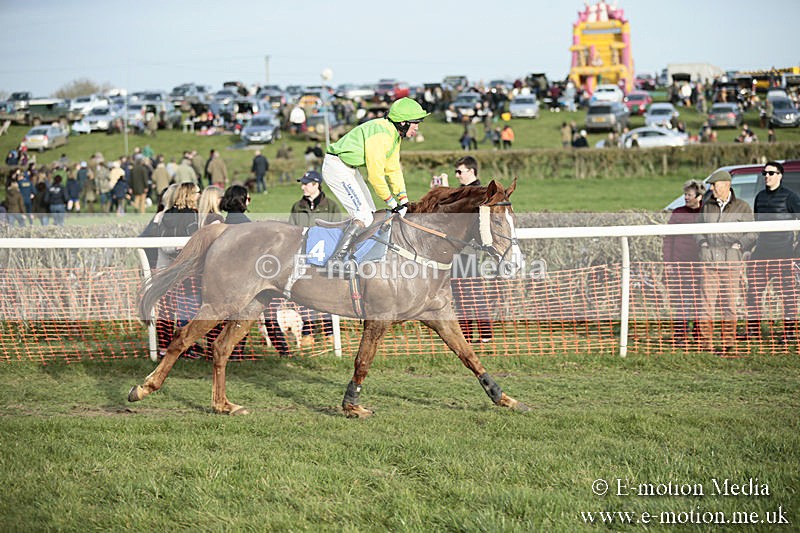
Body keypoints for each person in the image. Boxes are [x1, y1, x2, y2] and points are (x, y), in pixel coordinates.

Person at [321, 97, 428, 264]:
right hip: (337, 167)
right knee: (363, 217)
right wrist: (393, 203)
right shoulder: (381, 134)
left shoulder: (394, 135)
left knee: (371, 215)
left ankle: (357, 256)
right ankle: (335, 260)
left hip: (348, 168)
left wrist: (404, 200)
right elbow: (375, 176)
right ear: (403, 122)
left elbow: (393, 170)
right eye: (415, 123)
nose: (417, 127)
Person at [695, 170, 756, 355]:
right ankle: (706, 345)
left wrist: (740, 244)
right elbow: (697, 229)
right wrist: (702, 243)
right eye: (711, 185)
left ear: (726, 185)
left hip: (731, 263)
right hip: (709, 263)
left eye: (715, 185)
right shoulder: (707, 206)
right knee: (707, 305)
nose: (711, 188)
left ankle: (729, 344)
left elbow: (753, 233)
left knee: (730, 304)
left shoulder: (743, 207)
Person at [743, 161, 800, 344]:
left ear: (780, 175)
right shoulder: (759, 197)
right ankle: (753, 331)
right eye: (764, 173)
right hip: (762, 253)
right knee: (753, 293)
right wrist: (750, 249)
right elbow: (757, 226)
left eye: (771, 173)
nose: (767, 176)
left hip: (784, 254)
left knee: (788, 295)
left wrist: (796, 253)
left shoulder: (791, 197)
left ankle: (788, 333)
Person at [288, 170, 341, 348]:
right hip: (304, 257)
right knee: (304, 294)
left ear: (316, 184)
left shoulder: (332, 206)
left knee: (326, 295)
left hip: (325, 258)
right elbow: (292, 231)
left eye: (306, 183)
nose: (302, 187)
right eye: (302, 183)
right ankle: (307, 332)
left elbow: (338, 233)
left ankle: (329, 332)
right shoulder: (297, 207)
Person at [450, 155, 494, 343]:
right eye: (456, 172)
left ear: (471, 171)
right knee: (465, 295)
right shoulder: (464, 191)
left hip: (466, 252)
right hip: (459, 252)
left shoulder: (476, 193)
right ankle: (475, 335)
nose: (457, 175)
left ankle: (478, 336)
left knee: (468, 294)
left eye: (460, 171)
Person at [662, 179, 705, 346]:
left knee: (698, 300)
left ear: (699, 196)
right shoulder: (678, 213)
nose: (686, 197)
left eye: (689, 195)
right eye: (685, 194)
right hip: (680, 264)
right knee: (681, 301)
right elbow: (668, 239)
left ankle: (698, 333)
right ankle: (680, 334)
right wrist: (668, 262)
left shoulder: (705, 213)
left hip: (700, 264)